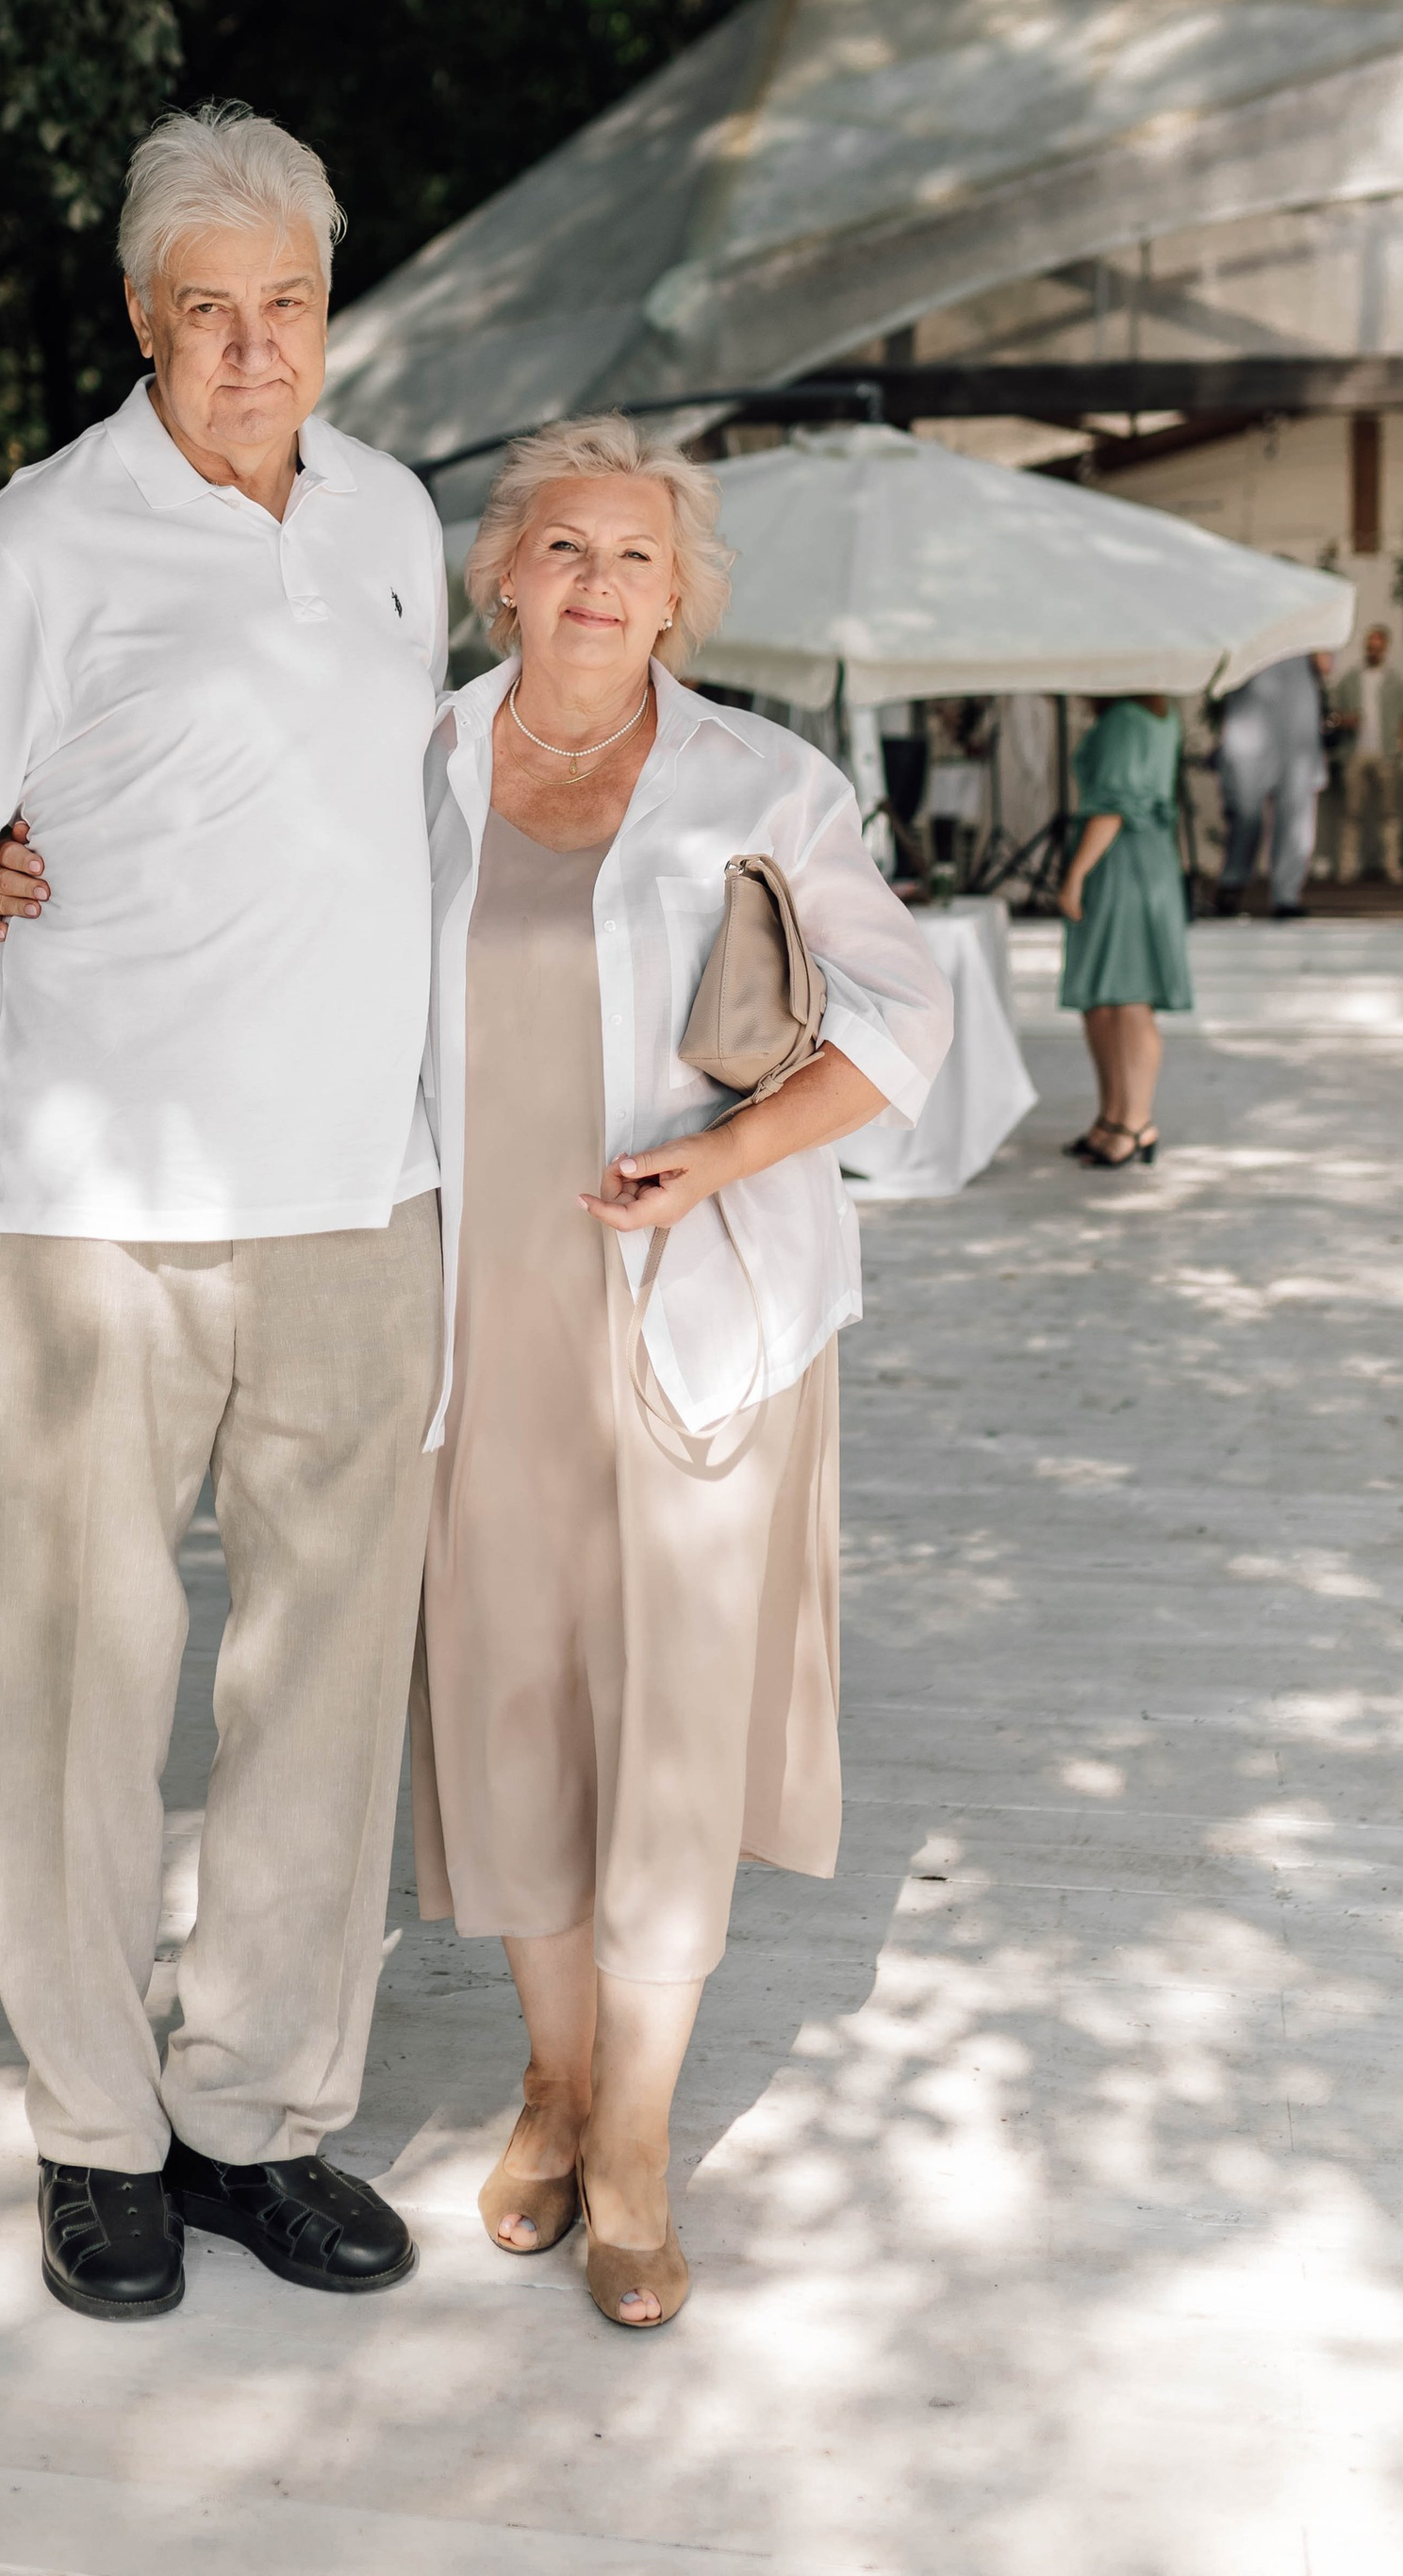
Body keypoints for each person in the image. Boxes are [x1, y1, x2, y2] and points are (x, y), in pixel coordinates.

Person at [0, 106, 448, 2325]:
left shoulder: (391, 518)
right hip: (100, 1211)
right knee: (80, 1675)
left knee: (320, 1686)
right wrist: (18, 1053)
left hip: (350, 1197)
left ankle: (252, 2115)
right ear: (141, 322)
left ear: (323, 309)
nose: (248, 346)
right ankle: (95, 2131)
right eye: (204, 312)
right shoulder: (41, 543)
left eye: (283, 305)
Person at [410, 418, 952, 2331]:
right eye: (563, 550)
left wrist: (717, 1157)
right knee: (514, 1700)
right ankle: (547, 2084)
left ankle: (630, 2140)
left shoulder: (761, 783)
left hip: (696, 1306)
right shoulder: (410, 768)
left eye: (635, 560)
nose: (596, 588)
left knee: (658, 1719)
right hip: (475, 1312)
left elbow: (903, 1019)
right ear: (501, 573)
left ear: (679, 596)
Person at [1055, 695, 1192, 1164]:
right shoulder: (1159, 715)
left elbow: (1111, 807)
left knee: (1128, 998)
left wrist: (1074, 875)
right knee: (1107, 999)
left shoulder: (1123, 719)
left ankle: (1135, 1122)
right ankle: (1115, 1117)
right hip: (1141, 859)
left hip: (1121, 862)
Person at [1214, 652, 1325, 917]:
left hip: (1294, 717)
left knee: (1294, 811)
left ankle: (1284, 893)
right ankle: (1236, 881)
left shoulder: (1309, 618)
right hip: (1253, 712)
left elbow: (1324, 663)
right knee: (1245, 808)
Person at [1322, 626, 1403, 887]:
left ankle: (1392, 865)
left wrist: (1400, 748)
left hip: (1385, 754)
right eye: (1369, 645)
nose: (1373, 650)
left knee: (1389, 812)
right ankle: (1347, 867)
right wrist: (1345, 720)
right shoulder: (1350, 679)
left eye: (1378, 645)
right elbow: (1333, 715)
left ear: (1385, 647)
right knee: (1352, 813)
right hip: (1355, 754)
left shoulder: (1396, 681)